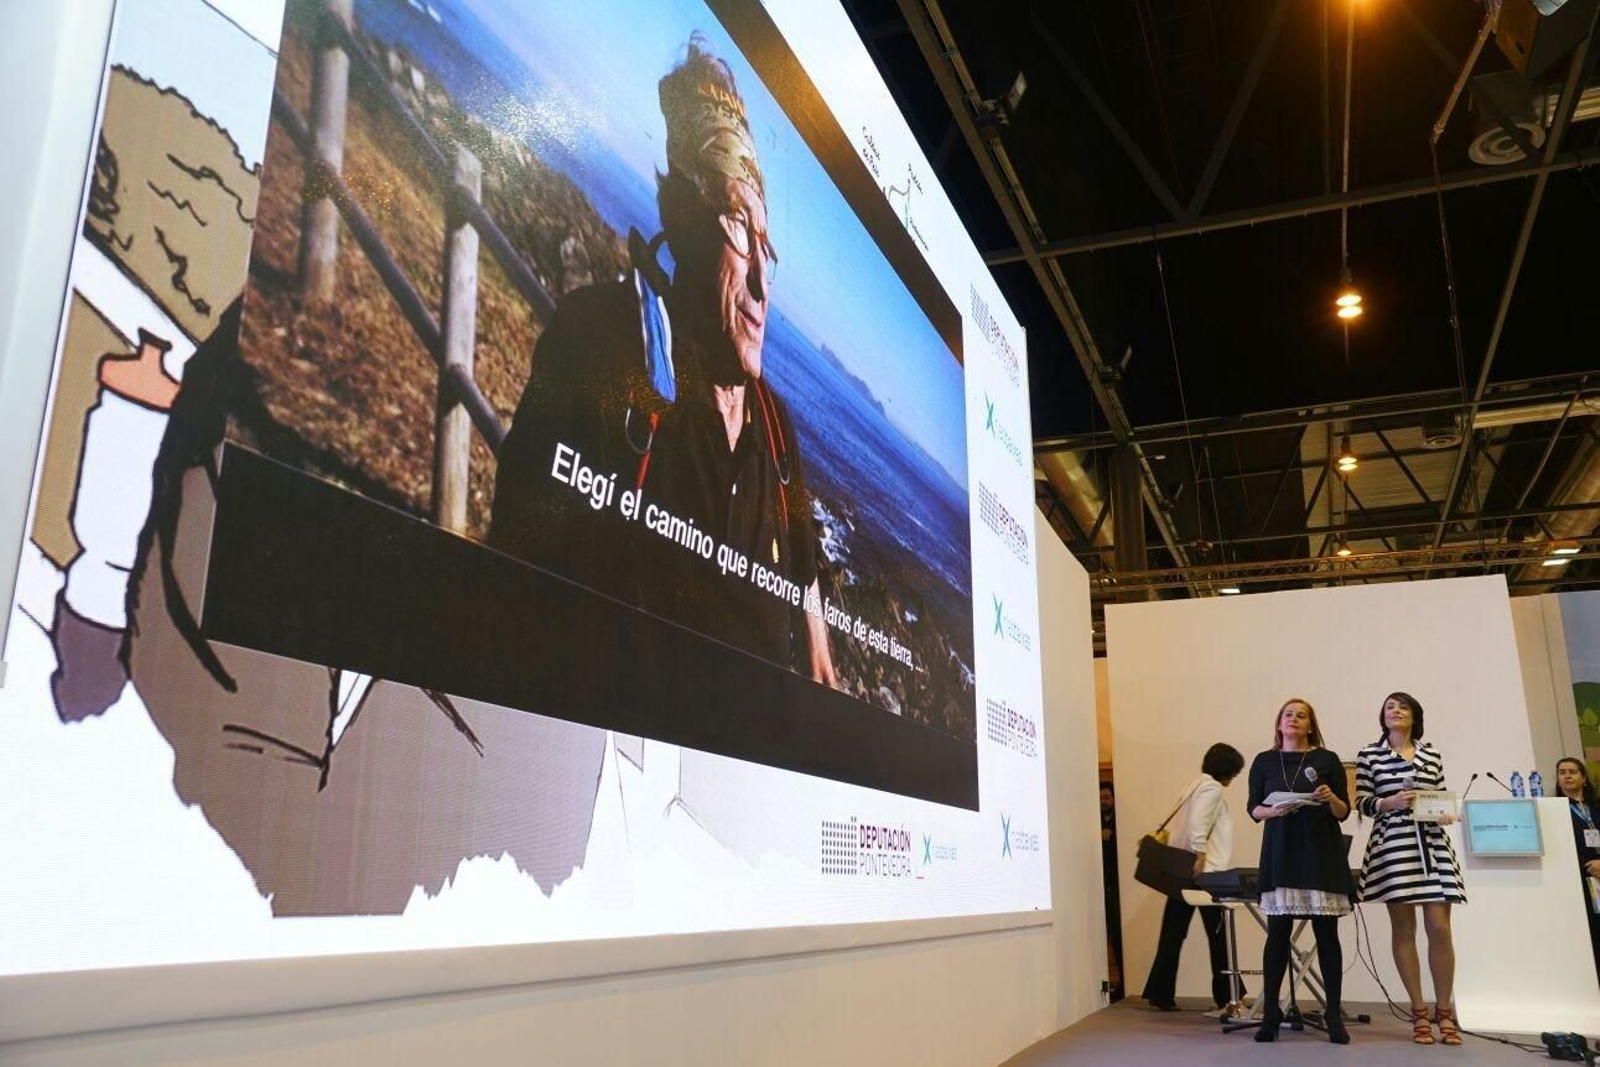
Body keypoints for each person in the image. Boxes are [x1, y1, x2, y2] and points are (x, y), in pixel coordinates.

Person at [490, 36, 836, 684]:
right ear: (686, 223)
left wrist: (820, 660)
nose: (763, 282)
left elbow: (805, 569)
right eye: (738, 227)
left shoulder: (777, 427)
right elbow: (512, 568)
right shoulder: (598, 345)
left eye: (769, 244)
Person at [1355, 692, 1466, 1046]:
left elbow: (1439, 795)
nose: (1395, 711)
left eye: (1402, 706)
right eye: (1389, 707)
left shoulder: (1431, 752)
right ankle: (1419, 1011)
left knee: (1440, 928)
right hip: (1394, 844)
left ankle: (1443, 1010)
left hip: (1432, 843)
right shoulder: (1369, 754)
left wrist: (1445, 812)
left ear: (1415, 715)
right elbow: (1362, 802)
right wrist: (1390, 801)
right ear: (1382, 717)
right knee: (1404, 929)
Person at [1248, 698, 1354, 1044]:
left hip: (1320, 852)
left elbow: (1343, 812)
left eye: (1301, 715)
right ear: (1279, 724)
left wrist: (1329, 797)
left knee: (1327, 937)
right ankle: (1270, 1017)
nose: (1293, 719)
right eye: (1288, 714)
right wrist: (1273, 810)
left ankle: (1333, 1015)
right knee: (1277, 935)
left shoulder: (1326, 759)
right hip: (1281, 852)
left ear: (1311, 726)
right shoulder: (1264, 761)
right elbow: (1254, 809)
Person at [1141, 743, 1247, 1014]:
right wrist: (1200, 855)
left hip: (1180, 871)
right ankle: (1228, 995)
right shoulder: (1212, 788)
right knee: (1218, 933)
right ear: (1228, 770)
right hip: (1203, 872)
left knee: (1172, 934)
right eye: (1234, 773)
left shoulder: (1193, 786)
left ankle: (1160, 992)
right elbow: (1199, 824)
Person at [1556, 757, 1600, 983]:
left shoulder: (1596, 806)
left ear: (1584, 778)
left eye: (1573, 771)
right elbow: (1561, 845)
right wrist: (1589, 866)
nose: (1567, 776)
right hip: (1580, 879)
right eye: (1562, 772)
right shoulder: (1556, 809)